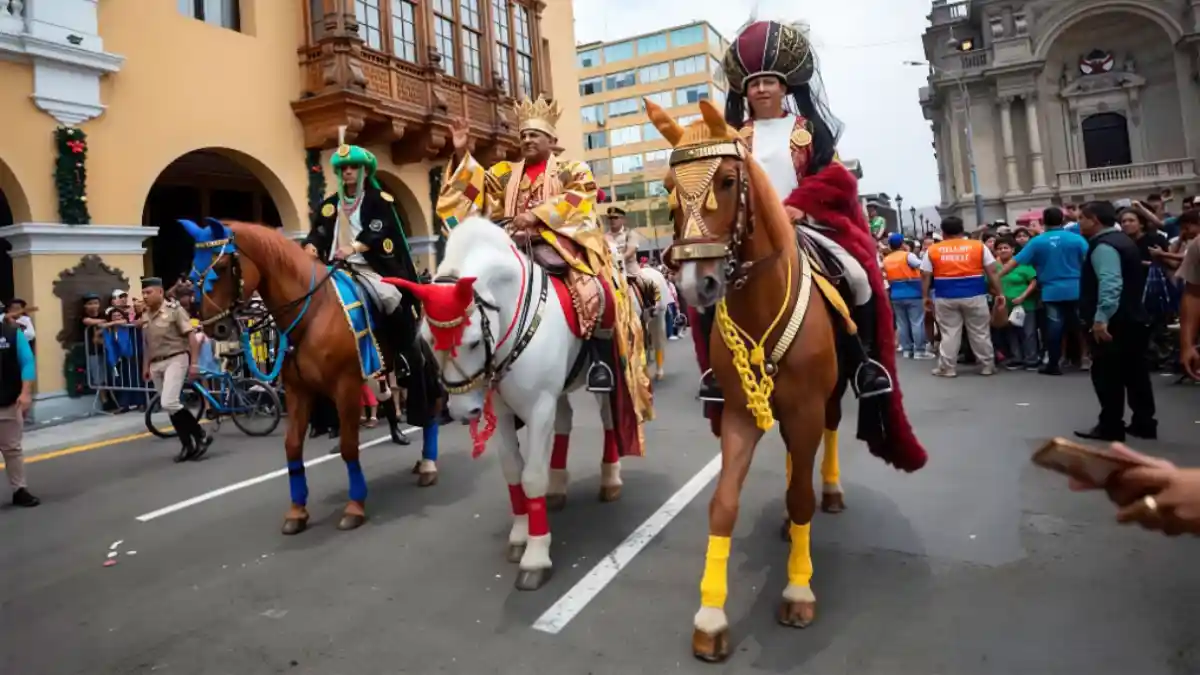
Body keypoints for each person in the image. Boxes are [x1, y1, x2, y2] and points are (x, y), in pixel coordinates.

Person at [700, 18, 893, 402]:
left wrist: (800, 208)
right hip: (748, 232)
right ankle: (715, 370)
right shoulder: (735, 137)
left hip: (805, 227)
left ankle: (864, 363)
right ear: (745, 91)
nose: (760, 88)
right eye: (754, 83)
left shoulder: (808, 129)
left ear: (784, 87)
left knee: (857, 276)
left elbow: (835, 178)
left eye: (768, 81)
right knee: (705, 286)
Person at [437, 95, 652, 421]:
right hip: (512, 251)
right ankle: (482, 369)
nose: (526, 139)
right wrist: (460, 153)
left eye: (534, 134)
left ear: (552, 140)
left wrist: (536, 215)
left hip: (560, 249)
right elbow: (474, 194)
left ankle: (600, 364)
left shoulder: (571, 169)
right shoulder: (505, 173)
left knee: (596, 294)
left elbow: (582, 197)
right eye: (523, 135)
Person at [304, 159, 420, 445]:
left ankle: (404, 355)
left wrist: (353, 247)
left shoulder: (377, 200)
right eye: (343, 169)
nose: (347, 172)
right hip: (335, 269)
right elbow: (318, 232)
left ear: (364, 170)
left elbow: (379, 229)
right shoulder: (331, 204)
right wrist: (309, 247)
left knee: (390, 297)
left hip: (368, 267)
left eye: (353, 167)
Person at [1074, 200, 1156, 442]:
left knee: (1108, 376)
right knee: (1136, 374)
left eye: (1082, 218)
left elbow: (1110, 284)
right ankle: (1144, 422)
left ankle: (1111, 425)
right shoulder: (1123, 241)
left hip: (1115, 323)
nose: (1079, 223)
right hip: (1133, 317)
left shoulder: (1104, 246)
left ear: (1095, 220)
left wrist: (1100, 319)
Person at [998, 206, 1089, 375]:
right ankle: (1085, 358)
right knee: (1080, 326)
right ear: (1062, 220)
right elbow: (1089, 260)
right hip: (1076, 288)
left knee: (1055, 328)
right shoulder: (1076, 239)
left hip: (1051, 291)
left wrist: (997, 276)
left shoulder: (1038, 241)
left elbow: (1015, 262)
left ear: (1044, 222)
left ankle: (1054, 363)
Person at [921, 216, 1005, 377]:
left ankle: (948, 368)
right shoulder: (978, 246)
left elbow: (925, 275)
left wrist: (925, 296)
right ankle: (987, 365)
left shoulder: (933, 249)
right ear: (961, 229)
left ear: (943, 232)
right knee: (980, 331)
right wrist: (999, 292)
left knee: (949, 333)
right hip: (975, 294)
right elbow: (992, 271)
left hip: (945, 295)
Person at [140, 277, 211, 462]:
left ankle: (201, 434)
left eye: (149, 292)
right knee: (170, 407)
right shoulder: (146, 315)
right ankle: (188, 445)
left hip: (176, 358)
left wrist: (194, 363)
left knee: (169, 402)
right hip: (156, 363)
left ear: (160, 292)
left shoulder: (175, 311)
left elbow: (192, 338)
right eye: (143, 293)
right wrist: (146, 365)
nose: (145, 296)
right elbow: (148, 343)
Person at [0, 310, 38, 506]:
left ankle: (19, 489)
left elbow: (27, 362)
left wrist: (25, 393)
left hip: (7, 401)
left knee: (12, 449)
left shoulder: (12, 334)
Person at [882, 233, 930, 359]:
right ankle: (919, 350)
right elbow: (923, 266)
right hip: (913, 292)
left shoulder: (886, 259)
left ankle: (907, 350)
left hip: (896, 294)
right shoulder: (908, 256)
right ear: (902, 243)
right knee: (917, 322)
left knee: (902, 324)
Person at [994, 237, 1039, 370]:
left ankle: (1031, 359)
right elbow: (989, 283)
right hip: (1005, 305)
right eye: (1000, 248)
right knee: (1011, 333)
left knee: (1028, 332)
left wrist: (1023, 296)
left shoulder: (1023, 264)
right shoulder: (994, 267)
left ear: (1013, 250)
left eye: (1006, 247)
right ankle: (1016, 358)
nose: (1003, 250)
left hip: (1025, 304)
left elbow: (1034, 281)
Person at [604, 207, 640, 277]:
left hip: (631, 273)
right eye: (610, 218)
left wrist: (618, 260)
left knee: (649, 282)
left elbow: (630, 252)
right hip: (612, 274)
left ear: (623, 220)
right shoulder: (604, 237)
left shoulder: (630, 234)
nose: (612, 220)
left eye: (615, 217)